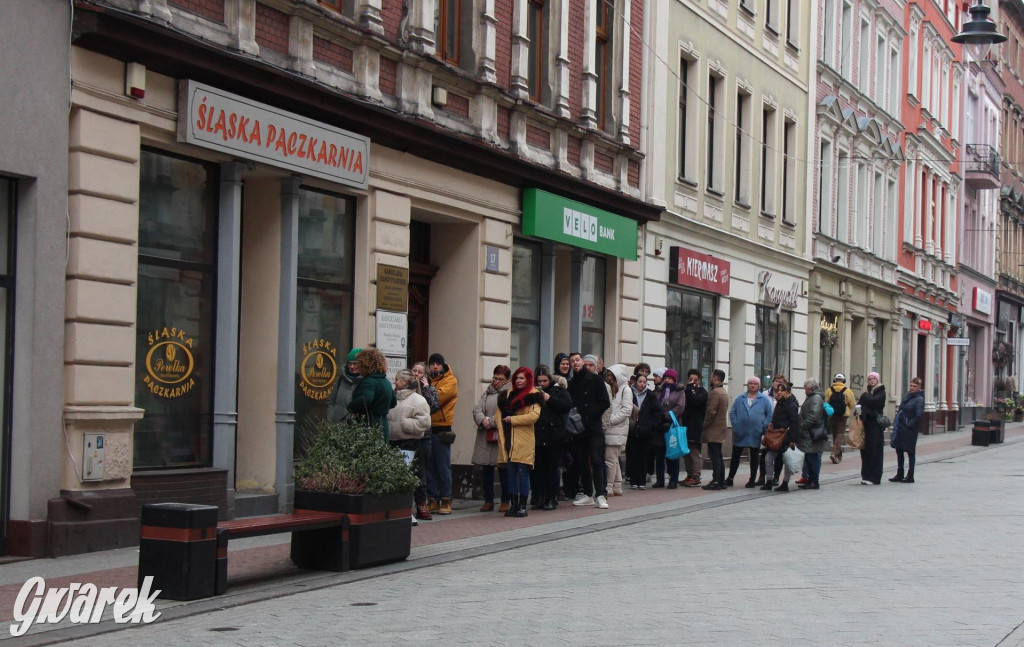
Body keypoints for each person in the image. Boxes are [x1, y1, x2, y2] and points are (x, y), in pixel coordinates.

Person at [496, 367, 543, 517]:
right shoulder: (507, 395)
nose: (518, 381)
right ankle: (513, 504)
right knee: (510, 472)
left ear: (528, 379)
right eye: (517, 378)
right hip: (509, 438)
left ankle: (523, 505)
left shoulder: (534, 395)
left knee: (522, 472)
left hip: (524, 440)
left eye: (522, 378)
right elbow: (498, 415)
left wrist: (513, 420)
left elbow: (533, 416)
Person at [566, 353, 611, 509]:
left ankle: (600, 494)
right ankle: (587, 494)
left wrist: (590, 415)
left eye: (577, 360)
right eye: (572, 361)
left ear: (583, 362)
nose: (574, 363)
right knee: (582, 461)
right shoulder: (572, 383)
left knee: (597, 460)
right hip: (579, 429)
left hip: (593, 427)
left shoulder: (596, 380)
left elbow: (605, 402)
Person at [387, 369, 432, 520]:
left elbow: (424, 423)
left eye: (398, 380)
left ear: (405, 382)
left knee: (405, 477)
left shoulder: (418, 400)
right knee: (395, 477)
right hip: (392, 441)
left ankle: (408, 511)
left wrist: (405, 424)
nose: (395, 382)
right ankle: (397, 510)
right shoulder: (393, 397)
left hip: (409, 443)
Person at [472, 365, 512, 512]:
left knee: (502, 468)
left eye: (500, 379)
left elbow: (507, 412)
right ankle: (488, 500)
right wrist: (483, 420)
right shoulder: (487, 393)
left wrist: (493, 421)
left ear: (507, 379)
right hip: (485, 435)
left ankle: (505, 500)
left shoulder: (509, 393)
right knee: (486, 469)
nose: (497, 381)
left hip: (501, 435)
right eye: (495, 378)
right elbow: (477, 409)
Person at [532, 367, 573, 510]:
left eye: (544, 381)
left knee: (552, 468)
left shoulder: (559, 391)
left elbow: (567, 405)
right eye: (539, 381)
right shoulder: (534, 392)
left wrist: (550, 399)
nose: (542, 383)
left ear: (550, 380)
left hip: (555, 437)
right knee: (538, 469)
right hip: (538, 436)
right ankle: (539, 497)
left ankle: (551, 498)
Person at [726, 377, 773, 488]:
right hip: (740, 432)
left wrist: (763, 427)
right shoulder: (740, 398)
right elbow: (732, 412)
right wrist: (735, 425)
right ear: (747, 385)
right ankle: (730, 478)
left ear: (758, 386)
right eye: (750, 383)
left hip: (756, 432)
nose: (752, 385)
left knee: (754, 457)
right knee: (735, 456)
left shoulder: (764, 399)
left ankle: (752, 479)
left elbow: (769, 414)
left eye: (755, 384)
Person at [426, 353, 458, 515]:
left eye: (438, 364)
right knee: (429, 467)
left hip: (442, 428)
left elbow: (436, 399)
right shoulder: (427, 380)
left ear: (443, 365)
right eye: (432, 364)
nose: (435, 366)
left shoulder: (450, 381)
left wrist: (426, 388)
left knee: (442, 466)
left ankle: (446, 499)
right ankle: (432, 499)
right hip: (427, 427)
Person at [347, 348, 397, 444]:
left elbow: (367, 399)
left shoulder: (369, 381)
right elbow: (393, 402)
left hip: (370, 425)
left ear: (365, 365)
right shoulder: (386, 382)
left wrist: (352, 406)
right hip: (383, 426)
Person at [761, 381, 800, 491]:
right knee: (768, 458)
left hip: (786, 437)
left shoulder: (792, 404)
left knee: (787, 461)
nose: (779, 392)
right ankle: (768, 481)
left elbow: (794, 423)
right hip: (776, 436)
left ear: (788, 392)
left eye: (782, 390)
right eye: (778, 390)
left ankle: (785, 483)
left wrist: (793, 439)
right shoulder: (780, 402)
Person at [652, 369, 685, 488]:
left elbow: (680, 407)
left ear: (674, 380)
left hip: (672, 425)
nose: (667, 380)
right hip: (660, 426)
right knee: (659, 455)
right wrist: (658, 417)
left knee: (673, 454)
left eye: (669, 378)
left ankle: (673, 480)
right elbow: (654, 405)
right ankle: (660, 480)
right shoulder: (658, 391)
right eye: (665, 378)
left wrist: (667, 415)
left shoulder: (679, 391)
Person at [603, 364, 633, 497]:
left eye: (611, 375)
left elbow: (627, 410)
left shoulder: (625, 390)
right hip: (613, 429)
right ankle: (617, 486)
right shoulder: (614, 389)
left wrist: (610, 420)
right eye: (608, 375)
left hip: (616, 429)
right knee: (614, 459)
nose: (609, 378)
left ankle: (609, 487)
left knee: (610, 459)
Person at [627, 374, 661, 490]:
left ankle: (641, 481)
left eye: (644, 382)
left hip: (646, 431)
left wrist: (650, 426)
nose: (642, 384)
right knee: (633, 456)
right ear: (636, 382)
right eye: (640, 381)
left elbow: (657, 413)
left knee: (643, 456)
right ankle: (633, 481)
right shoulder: (629, 394)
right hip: (633, 430)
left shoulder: (651, 396)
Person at [890, 376, 925, 484]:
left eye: (914, 386)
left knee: (910, 452)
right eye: (911, 385)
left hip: (910, 430)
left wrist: (909, 423)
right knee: (899, 450)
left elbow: (918, 416)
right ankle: (900, 473)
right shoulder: (908, 396)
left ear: (919, 387)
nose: (912, 387)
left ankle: (910, 475)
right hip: (901, 428)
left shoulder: (919, 399)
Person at [756, 373, 788, 485]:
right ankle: (762, 477)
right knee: (764, 454)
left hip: (779, 431)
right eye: (776, 381)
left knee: (778, 455)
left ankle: (775, 477)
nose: (778, 383)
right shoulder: (765, 394)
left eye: (781, 381)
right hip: (767, 429)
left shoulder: (785, 397)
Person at [797, 378, 828, 490]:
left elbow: (813, 415)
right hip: (809, 432)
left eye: (805, 388)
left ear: (809, 388)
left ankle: (814, 481)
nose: (804, 390)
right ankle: (811, 480)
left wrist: (803, 425)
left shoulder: (815, 398)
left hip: (812, 433)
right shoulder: (813, 397)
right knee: (810, 458)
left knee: (813, 458)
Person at [701, 369, 729, 489]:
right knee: (718, 455)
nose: (710, 379)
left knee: (714, 456)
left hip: (714, 429)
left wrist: (705, 424)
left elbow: (711, 411)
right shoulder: (724, 392)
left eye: (712, 377)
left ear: (716, 378)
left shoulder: (715, 392)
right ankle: (721, 480)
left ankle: (716, 480)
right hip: (721, 428)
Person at [857, 372, 887, 485]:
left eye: (874, 379)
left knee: (875, 450)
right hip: (866, 424)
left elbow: (873, 401)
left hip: (875, 425)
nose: (871, 381)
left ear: (878, 380)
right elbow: (859, 405)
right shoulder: (867, 392)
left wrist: (865, 398)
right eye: (869, 379)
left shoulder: (881, 392)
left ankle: (874, 477)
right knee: (865, 450)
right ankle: (866, 475)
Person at [680, 369, 708, 487]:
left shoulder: (702, 392)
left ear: (699, 380)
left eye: (695, 380)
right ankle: (689, 474)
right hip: (684, 425)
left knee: (694, 452)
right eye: (690, 379)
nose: (692, 382)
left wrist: (691, 389)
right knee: (686, 452)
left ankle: (696, 476)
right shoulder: (685, 390)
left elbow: (696, 401)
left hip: (695, 426)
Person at [824, 373, 857, 464]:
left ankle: (837, 455)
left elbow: (826, 402)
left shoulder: (829, 390)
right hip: (843, 415)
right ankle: (835, 453)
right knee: (840, 433)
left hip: (832, 414)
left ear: (834, 380)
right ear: (844, 381)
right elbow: (853, 404)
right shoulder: (848, 391)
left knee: (835, 434)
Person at [327, 348, 363, 421]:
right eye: (350, 363)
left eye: (355, 363)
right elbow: (331, 401)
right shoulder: (341, 379)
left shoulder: (366, 381)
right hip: (338, 426)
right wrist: (330, 419)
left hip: (356, 427)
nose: (352, 366)